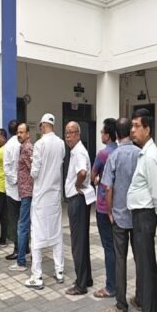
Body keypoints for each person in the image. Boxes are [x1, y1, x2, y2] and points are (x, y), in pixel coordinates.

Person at [125, 108, 157, 312]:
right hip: (143, 215)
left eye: (137, 126)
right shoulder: (146, 152)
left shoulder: (150, 156)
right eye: (132, 126)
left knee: (146, 270)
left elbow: (156, 192)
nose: (133, 130)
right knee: (149, 267)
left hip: (144, 216)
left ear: (147, 129)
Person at [102, 117, 142, 312]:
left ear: (116, 134)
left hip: (119, 216)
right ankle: (140, 299)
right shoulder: (140, 154)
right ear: (130, 132)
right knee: (139, 258)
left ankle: (121, 306)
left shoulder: (114, 156)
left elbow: (108, 188)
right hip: (138, 215)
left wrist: (110, 211)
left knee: (120, 260)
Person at [24, 114, 65, 289]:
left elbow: (35, 173)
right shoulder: (61, 143)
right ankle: (59, 271)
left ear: (42, 126)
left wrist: (33, 161)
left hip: (41, 195)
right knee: (56, 233)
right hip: (54, 195)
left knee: (37, 234)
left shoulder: (39, 144)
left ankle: (37, 275)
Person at [64, 121, 96, 295]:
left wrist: (77, 185)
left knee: (78, 243)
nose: (68, 136)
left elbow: (82, 172)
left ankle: (80, 284)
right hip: (79, 200)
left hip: (77, 200)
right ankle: (87, 278)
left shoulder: (79, 152)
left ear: (78, 134)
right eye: (66, 133)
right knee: (82, 241)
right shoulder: (76, 150)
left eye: (71, 133)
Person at [91, 118, 118, 299]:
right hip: (119, 207)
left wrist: (97, 180)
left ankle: (111, 286)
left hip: (103, 206)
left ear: (107, 135)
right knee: (117, 248)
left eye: (102, 132)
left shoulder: (103, 154)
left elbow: (92, 175)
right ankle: (118, 282)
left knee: (108, 247)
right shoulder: (120, 152)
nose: (101, 134)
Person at [11, 123, 33, 271]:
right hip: (25, 191)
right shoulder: (23, 147)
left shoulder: (27, 148)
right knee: (26, 224)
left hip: (27, 192)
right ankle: (27, 254)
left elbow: (34, 169)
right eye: (18, 132)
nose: (19, 135)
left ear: (28, 134)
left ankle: (21, 261)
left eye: (22, 132)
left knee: (22, 225)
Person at [3, 119, 21, 261]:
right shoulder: (23, 143)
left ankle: (17, 248)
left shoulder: (8, 146)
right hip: (24, 189)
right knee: (24, 220)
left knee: (14, 220)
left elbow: (7, 169)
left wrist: (15, 181)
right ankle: (24, 246)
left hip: (13, 189)